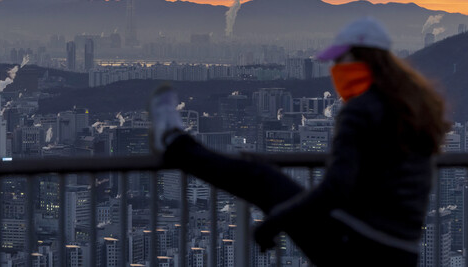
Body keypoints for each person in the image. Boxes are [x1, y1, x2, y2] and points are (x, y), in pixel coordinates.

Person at [148, 17, 451, 266]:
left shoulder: (362, 109)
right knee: (264, 174)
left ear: (360, 59)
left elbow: (336, 188)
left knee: (262, 178)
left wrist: (276, 220)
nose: (334, 70)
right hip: (402, 252)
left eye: (340, 60)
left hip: (357, 245)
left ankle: (174, 142)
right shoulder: (414, 107)